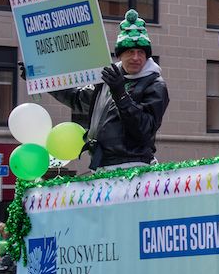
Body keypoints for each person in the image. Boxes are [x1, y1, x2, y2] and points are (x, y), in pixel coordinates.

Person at [46, 9, 169, 170]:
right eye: (130, 51)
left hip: (132, 166)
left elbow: (144, 130)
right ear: (120, 55)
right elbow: (77, 98)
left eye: (141, 52)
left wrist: (121, 95)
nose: (136, 58)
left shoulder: (155, 84)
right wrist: (44, 79)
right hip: (101, 164)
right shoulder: (107, 80)